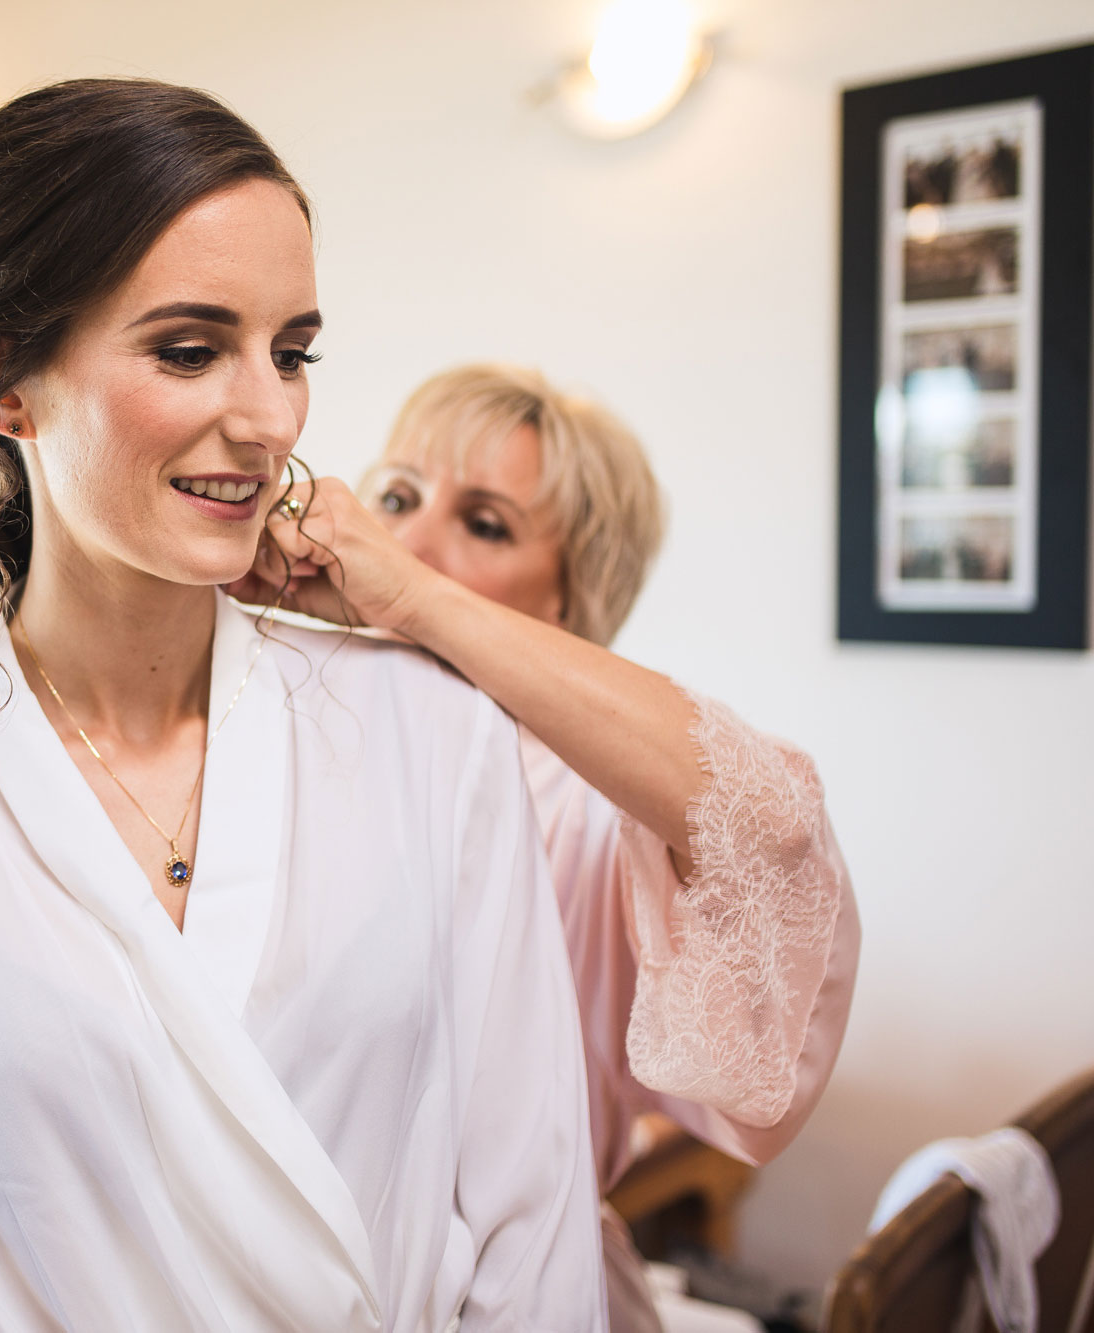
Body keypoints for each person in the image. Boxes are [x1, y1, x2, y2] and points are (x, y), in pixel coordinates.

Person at [0, 83, 604, 1331]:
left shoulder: (433, 740)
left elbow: (537, 1232)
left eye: (290, 352)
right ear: (3, 385)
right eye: (189, 349)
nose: (269, 416)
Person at [234, 363, 860, 1332]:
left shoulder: (583, 811)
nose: (406, 537)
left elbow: (768, 829)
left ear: (569, 602)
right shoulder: (261, 726)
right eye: (395, 495)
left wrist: (415, 597)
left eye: (483, 523)